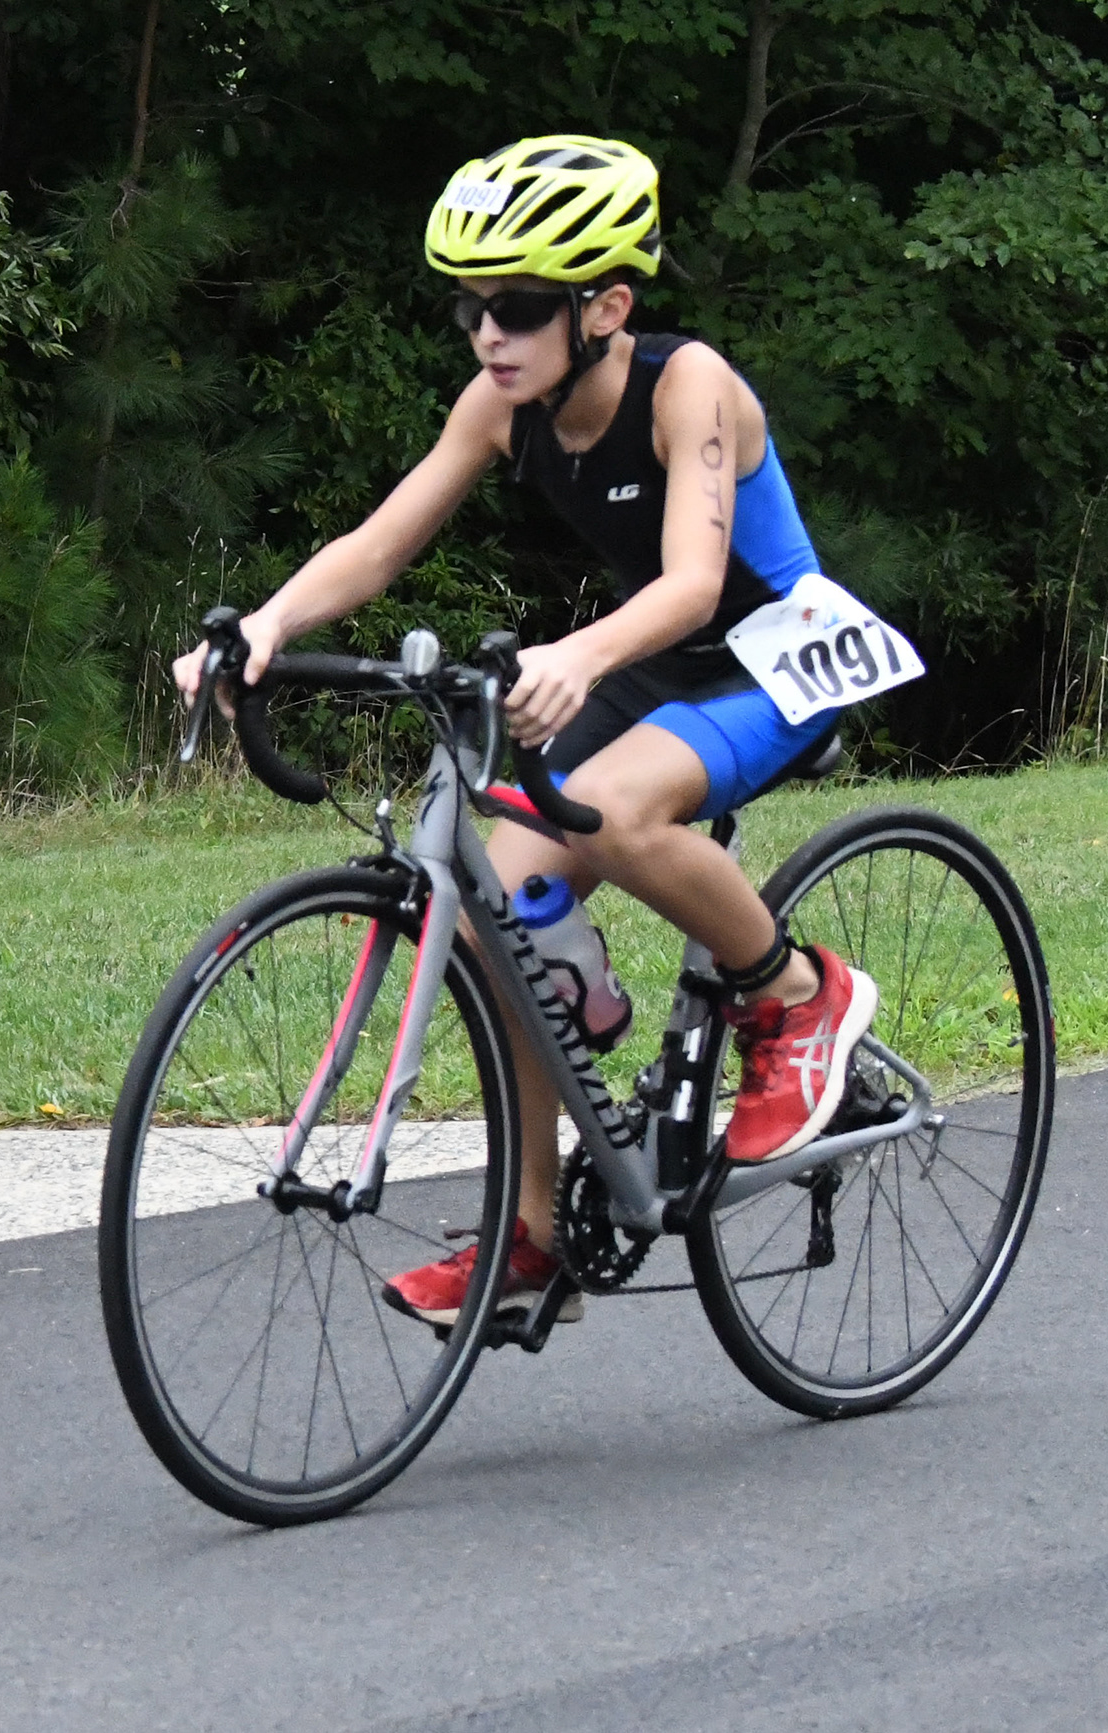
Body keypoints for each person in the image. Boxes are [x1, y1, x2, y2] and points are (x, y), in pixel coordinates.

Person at [174, 134, 898, 1328]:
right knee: (497, 914)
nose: (486, 335)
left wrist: (579, 655)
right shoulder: (502, 406)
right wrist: (266, 624)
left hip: (767, 657)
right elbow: (380, 541)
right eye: (470, 309)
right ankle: (535, 1236)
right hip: (654, 661)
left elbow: (694, 581)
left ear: (605, 306)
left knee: (612, 814)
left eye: (514, 307)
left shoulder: (690, 385)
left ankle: (798, 994)